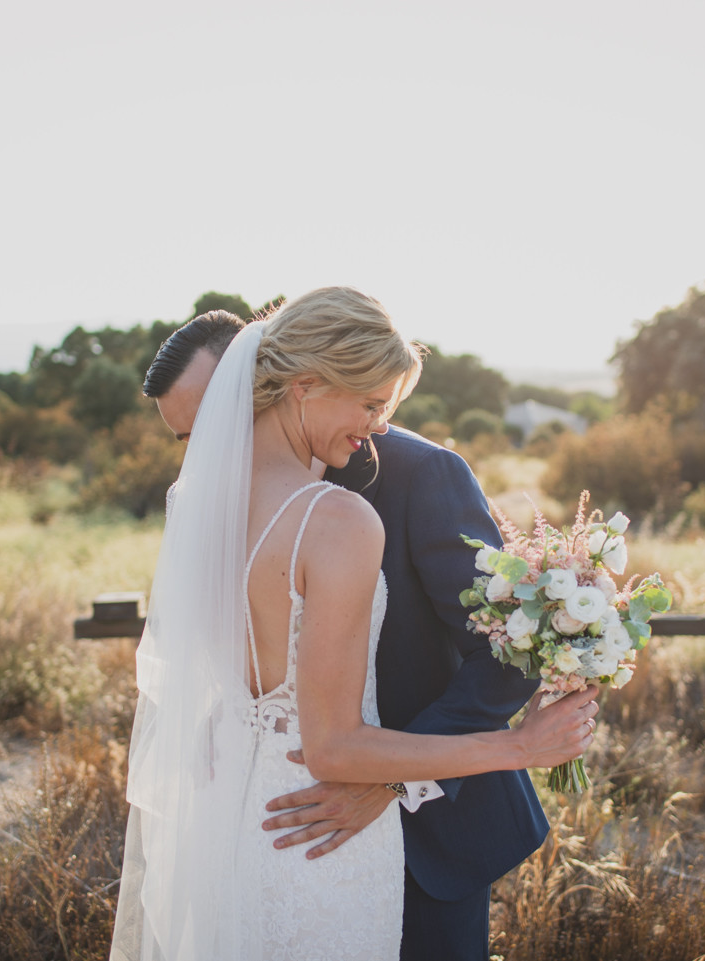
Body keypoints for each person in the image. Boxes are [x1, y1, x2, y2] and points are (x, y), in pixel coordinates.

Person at [111, 289, 597, 961]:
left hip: (430, 832)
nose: (206, 451)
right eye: (187, 437)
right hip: (276, 823)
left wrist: (389, 779)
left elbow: (506, 653)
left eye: (209, 424)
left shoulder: (420, 474)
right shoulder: (216, 503)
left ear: (275, 380)